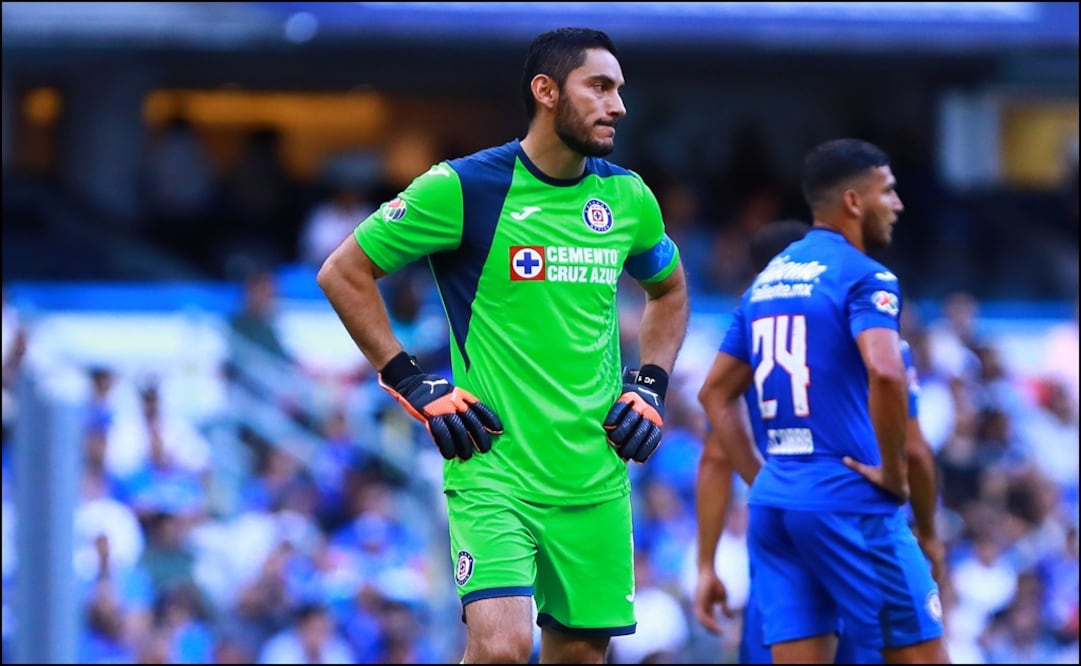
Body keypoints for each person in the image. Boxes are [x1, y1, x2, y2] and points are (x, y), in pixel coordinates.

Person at [317, 27, 689, 664]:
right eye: (599, 87)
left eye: (619, 90)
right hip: (494, 469)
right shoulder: (462, 189)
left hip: (595, 476)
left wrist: (649, 383)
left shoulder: (628, 197)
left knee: (578, 655)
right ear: (546, 92)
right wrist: (407, 377)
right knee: (502, 649)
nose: (618, 105)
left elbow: (671, 292)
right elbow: (344, 272)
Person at [696, 138, 949, 664]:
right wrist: (896, 478)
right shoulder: (866, 278)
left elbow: (714, 393)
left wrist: (762, 477)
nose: (898, 204)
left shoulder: (765, 284)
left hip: (776, 509)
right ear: (855, 202)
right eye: (889, 191)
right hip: (850, 505)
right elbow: (884, 369)